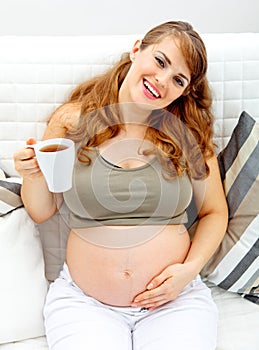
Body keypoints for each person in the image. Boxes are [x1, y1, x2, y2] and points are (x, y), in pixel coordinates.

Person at [14, 21, 228, 350]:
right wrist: (32, 174)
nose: (162, 81)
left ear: (184, 91)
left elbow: (214, 212)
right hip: (86, 304)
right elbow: (42, 212)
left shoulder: (187, 132)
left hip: (174, 304)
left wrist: (189, 270)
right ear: (137, 48)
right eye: (160, 61)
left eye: (178, 80)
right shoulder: (73, 120)